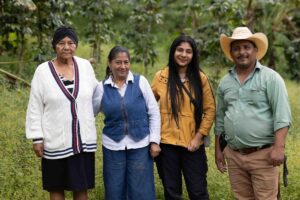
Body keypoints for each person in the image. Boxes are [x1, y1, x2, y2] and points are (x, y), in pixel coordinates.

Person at [214, 26, 292, 200]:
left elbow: (282, 116)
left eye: (246, 47)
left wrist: (279, 149)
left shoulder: (271, 78)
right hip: (234, 155)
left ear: (255, 50)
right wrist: (218, 150)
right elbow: (220, 118)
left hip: (263, 156)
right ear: (231, 52)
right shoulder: (225, 82)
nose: (242, 52)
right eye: (236, 48)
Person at [26, 26, 98, 200]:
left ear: (76, 45)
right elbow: (35, 105)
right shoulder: (42, 71)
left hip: (82, 140)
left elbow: (96, 95)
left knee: (81, 187)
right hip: (54, 139)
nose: (66, 47)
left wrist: (87, 116)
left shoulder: (85, 66)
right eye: (61, 43)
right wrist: (37, 137)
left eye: (71, 43)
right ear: (54, 46)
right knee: (56, 187)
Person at [151, 35, 216, 200]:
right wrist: (153, 139)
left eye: (188, 51)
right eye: (180, 50)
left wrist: (198, 137)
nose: (183, 54)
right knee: (172, 193)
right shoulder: (161, 77)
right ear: (173, 51)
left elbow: (210, 110)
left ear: (193, 55)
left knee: (198, 191)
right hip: (166, 144)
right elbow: (149, 108)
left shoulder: (200, 78)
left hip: (192, 144)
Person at [93, 46, 161, 200]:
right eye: (118, 62)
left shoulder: (140, 82)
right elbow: (90, 113)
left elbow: (154, 112)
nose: (123, 66)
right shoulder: (101, 87)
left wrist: (154, 141)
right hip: (112, 145)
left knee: (141, 190)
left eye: (126, 62)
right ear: (109, 64)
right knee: (114, 188)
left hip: (140, 144)